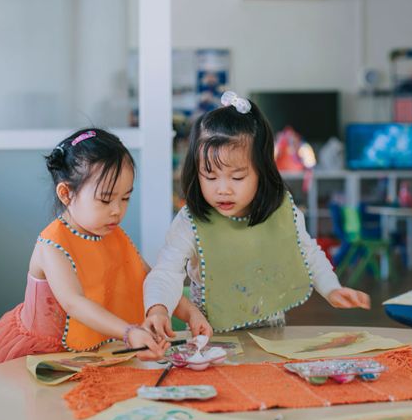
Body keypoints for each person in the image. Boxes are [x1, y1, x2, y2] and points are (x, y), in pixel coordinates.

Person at [0, 128, 208, 372]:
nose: (117, 210)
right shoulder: (51, 246)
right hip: (45, 355)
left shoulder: (113, 235)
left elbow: (152, 281)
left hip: (92, 352)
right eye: (106, 200)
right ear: (66, 193)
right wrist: (128, 332)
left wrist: (190, 313)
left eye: (125, 198)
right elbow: (74, 303)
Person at [144, 92, 370, 339]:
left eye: (237, 177)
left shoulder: (281, 211)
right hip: (210, 335)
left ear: (262, 171)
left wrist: (331, 288)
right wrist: (158, 308)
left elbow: (308, 253)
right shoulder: (190, 222)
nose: (223, 189)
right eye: (210, 176)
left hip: (271, 332)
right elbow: (166, 271)